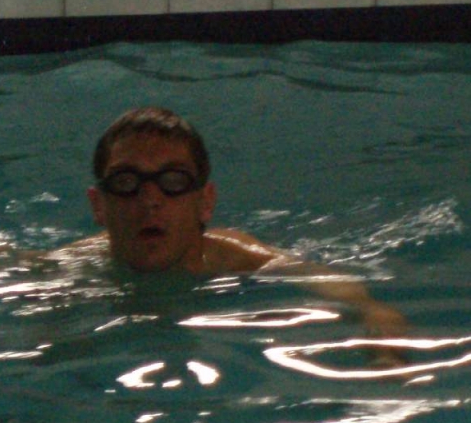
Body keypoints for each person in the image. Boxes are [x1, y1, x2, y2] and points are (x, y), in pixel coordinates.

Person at [65, 106, 407, 339]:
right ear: (99, 206)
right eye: (126, 181)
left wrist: (378, 326)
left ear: (205, 203)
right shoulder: (72, 267)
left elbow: (345, 291)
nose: (150, 199)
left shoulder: (238, 258)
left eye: (173, 181)